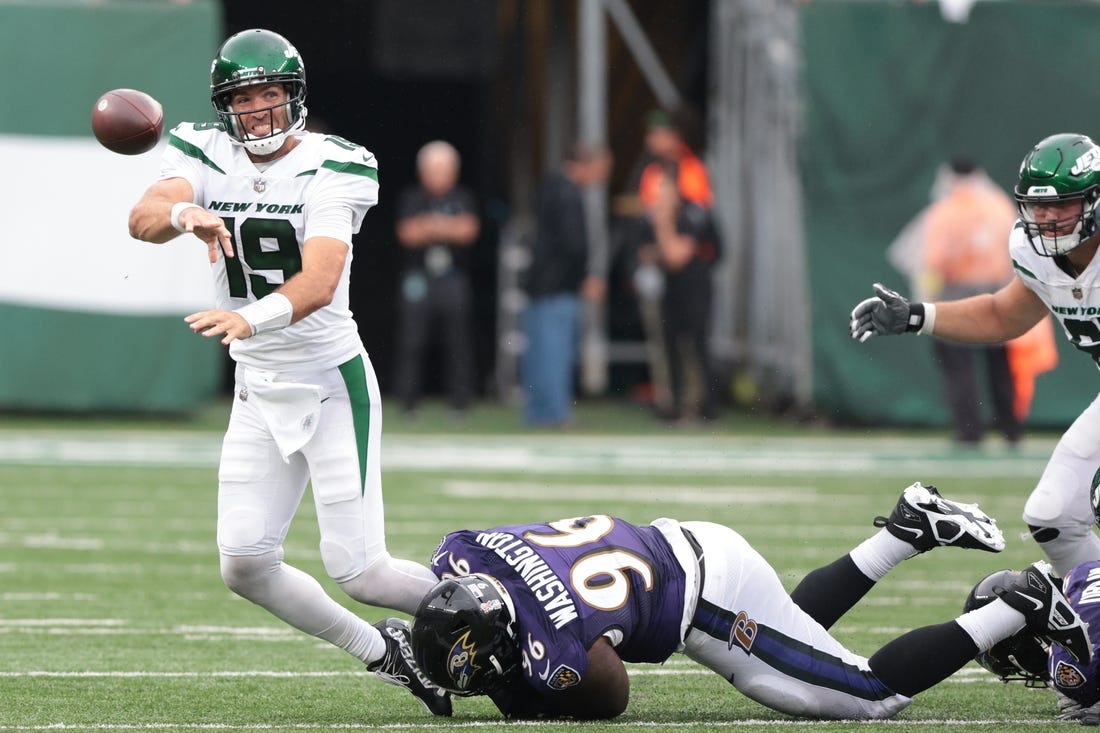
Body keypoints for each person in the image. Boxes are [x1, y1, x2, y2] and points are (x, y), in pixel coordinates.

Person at [127, 28, 449, 716]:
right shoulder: (203, 149)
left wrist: (251, 318)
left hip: (330, 379)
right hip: (257, 388)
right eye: (243, 97)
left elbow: (323, 276)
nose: (258, 110)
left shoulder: (338, 164)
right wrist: (186, 212)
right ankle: (383, 653)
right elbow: (144, 217)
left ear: (294, 97)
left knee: (362, 568)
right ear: (225, 106)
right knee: (244, 561)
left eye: (270, 93)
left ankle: (505, 608)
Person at [407, 482, 1091, 720]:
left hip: (707, 603)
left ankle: (1020, 603)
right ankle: (906, 530)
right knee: (793, 631)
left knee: (871, 695)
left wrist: (518, 692)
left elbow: (608, 693)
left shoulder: (548, 645)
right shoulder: (472, 549)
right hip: (688, 542)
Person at [850, 132, 1100, 579]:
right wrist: (915, 315)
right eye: (1036, 206)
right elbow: (1003, 314)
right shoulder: (1035, 253)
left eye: (1061, 205)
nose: (1045, 217)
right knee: (1053, 518)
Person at [919, 154, 1021, 446]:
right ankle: (1011, 428)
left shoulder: (945, 211)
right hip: (999, 289)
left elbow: (933, 260)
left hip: (956, 291)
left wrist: (929, 300)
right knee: (1000, 365)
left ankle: (969, 431)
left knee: (958, 366)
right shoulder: (1000, 206)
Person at [521, 143, 610, 427]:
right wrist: (584, 278)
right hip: (558, 287)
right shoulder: (570, 193)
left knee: (540, 351)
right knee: (555, 352)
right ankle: (554, 412)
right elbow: (574, 245)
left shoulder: (550, 185)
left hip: (540, 284)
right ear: (588, 164)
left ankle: (539, 410)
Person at [393, 140, 480, 418]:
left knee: (458, 342)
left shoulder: (463, 197)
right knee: (412, 340)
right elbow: (407, 233)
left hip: (453, 279)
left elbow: (469, 231)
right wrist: (446, 227)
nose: (439, 176)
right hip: (418, 280)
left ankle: (459, 404)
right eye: (434, 169)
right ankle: (408, 403)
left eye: (445, 169)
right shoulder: (412, 197)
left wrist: (431, 226)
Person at [638, 171, 722, 421]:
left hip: (695, 289)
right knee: (670, 345)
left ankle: (708, 406)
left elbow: (675, 256)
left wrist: (663, 227)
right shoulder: (661, 218)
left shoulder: (691, 215)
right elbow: (645, 254)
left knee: (698, 345)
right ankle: (673, 406)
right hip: (672, 289)